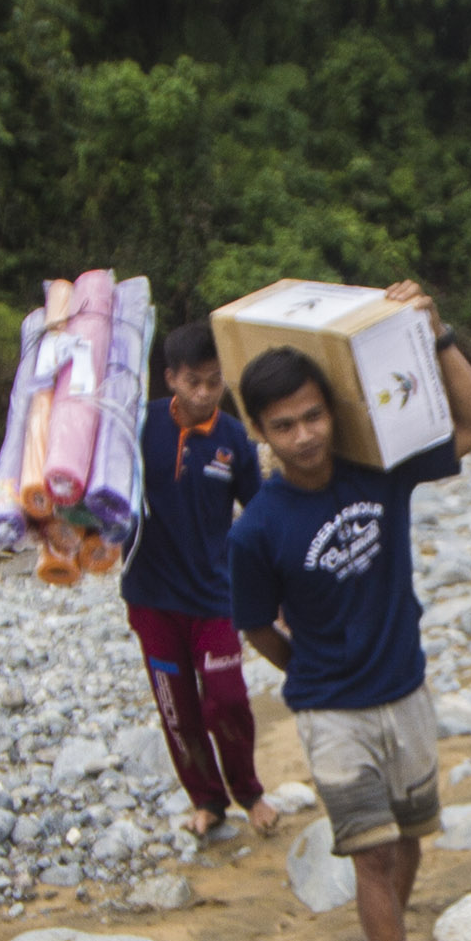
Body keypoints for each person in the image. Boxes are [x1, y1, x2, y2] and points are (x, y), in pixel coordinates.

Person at [227, 283, 471, 941]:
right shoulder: (259, 530)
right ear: (262, 432)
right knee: (372, 854)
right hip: (332, 712)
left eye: (314, 416)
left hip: (405, 691)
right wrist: (308, 668)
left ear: (332, 410)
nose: (305, 436)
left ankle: (387, 939)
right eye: (285, 426)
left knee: (408, 841)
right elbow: (254, 625)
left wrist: (437, 336)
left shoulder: (376, 470)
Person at [120, 318, 277, 844]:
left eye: (215, 381)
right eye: (195, 383)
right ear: (171, 379)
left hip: (215, 596)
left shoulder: (235, 439)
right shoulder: (135, 428)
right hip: (151, 597)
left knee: (227, 699)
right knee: (178, 709)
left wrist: (278, 585)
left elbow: (257, 516)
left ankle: (250, 791)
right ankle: (206, 800)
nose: (206, 393)